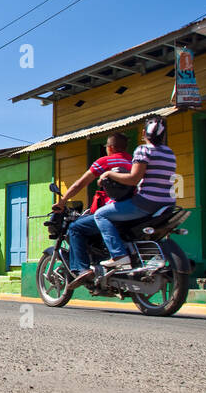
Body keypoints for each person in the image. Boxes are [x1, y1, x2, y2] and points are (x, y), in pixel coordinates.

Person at [92, 116, 177, 272]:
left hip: (146, 203)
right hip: (168, 204)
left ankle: (118, 255)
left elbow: (133, 179)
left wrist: (108, 174)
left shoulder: (143, 150)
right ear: (163, 135)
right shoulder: (169, 153)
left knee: (100, 215)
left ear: (143, 132)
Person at [55, 133, 134, 283]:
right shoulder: (134, 162)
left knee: (75, 228)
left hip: (112, 211)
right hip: (132, 210)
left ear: (109, 148)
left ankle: (82, 269)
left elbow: (80, 183)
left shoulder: (105, 161)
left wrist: (63, 201)